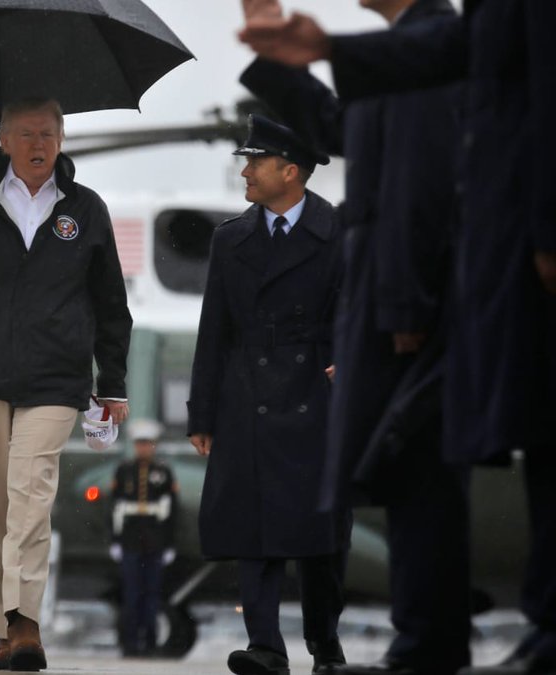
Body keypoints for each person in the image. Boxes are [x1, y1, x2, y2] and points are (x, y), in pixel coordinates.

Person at [238, 7, 556, 673]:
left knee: (418, 467)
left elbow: (421, 182)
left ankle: (429, 640)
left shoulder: (431, 50)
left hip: (412, 298)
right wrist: (280, 63)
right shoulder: (412, 50)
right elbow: (340, 129)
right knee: (410, 470)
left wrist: (407, 300)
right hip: (396, 289)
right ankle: (425, 639)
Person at [0, 97, 132, 672]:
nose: (39, 145)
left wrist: (112, 383)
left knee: (30, 495)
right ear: (4, 140)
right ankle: (4, 627)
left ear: (61, 140)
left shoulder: (85, 209)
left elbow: (111, 302)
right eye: (27, 134)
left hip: (56, 379)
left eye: (48, 134)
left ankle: (26, 622)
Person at [188, 114, 348, 675]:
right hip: (246, 399)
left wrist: (349, 365)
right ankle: (265, 646)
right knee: (252, 529)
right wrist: (202, 413)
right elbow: (214, 330)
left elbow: (358, 311)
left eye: (256, 161)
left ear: (291, 171)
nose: (246, 171)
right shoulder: (230, 239)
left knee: (321, 534)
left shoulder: (339, 234)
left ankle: (325, 646)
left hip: (318, 397)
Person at [109, 418, 178, 657]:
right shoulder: (124, 470)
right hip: (130, 540)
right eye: (140, 443)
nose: (143, 448)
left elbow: (171, 511)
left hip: (155, 540)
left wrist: (169, 543)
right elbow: (115, 508)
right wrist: (115, 540)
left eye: (147, 443)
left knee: (151, 595)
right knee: (131, 594)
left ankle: (149, 643)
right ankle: (129, 643)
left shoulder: (163, 472)